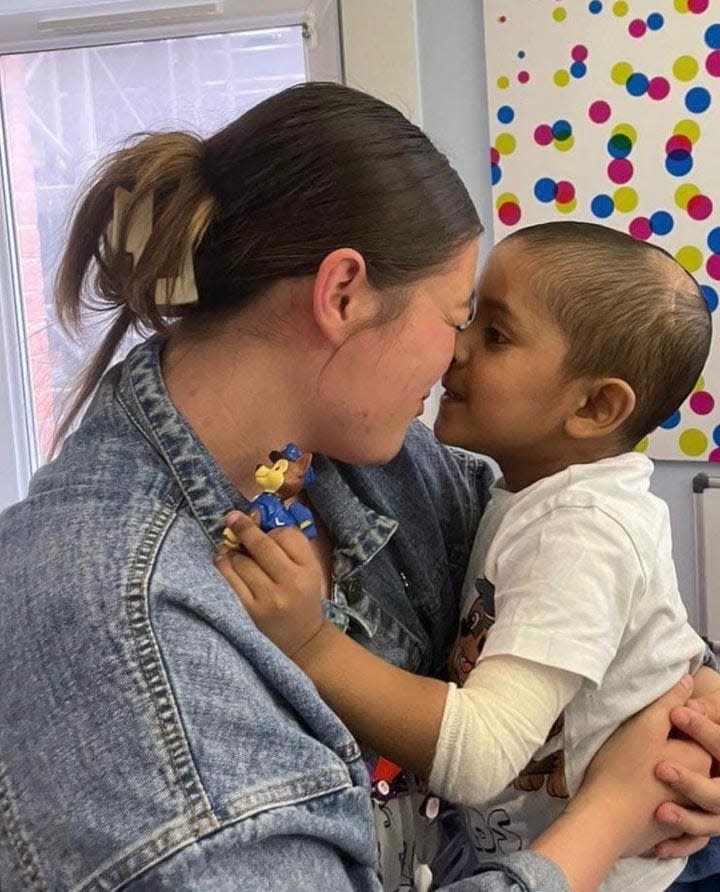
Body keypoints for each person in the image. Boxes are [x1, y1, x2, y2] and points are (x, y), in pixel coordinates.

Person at [0, 84, 719, 892]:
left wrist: (694, 706)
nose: (455, 357)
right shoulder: (113, 623)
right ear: (343, 296)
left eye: (484, 328)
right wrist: (614, 810)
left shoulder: (395, 465)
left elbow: (597, 584)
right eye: (458, 316)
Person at [216, 220, 718, 891]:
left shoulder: (581, 531)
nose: (455, 351)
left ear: (595, 406)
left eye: (496, 335)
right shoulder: (536, 493)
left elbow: (480, 755)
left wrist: (310, 643)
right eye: (468, 319)